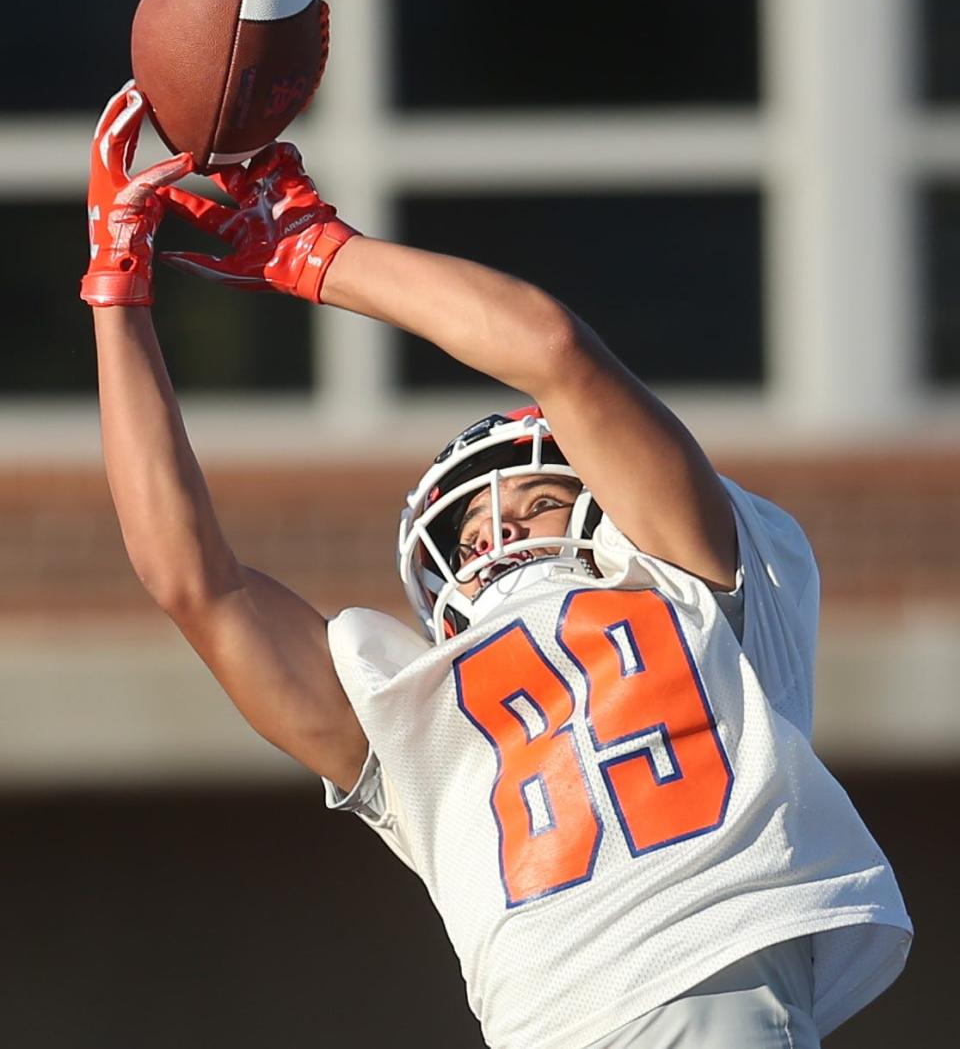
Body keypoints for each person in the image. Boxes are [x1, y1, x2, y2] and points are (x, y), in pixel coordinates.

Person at [83, 82, 912, 1049]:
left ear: (605, 505)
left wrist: (313, 252)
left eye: (536, 501)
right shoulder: (415, 707)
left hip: (711, 998)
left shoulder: (688, 583)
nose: (499, 538)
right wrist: (116, 293)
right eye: (471, 531)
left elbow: (556, 354)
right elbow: (195, 582)